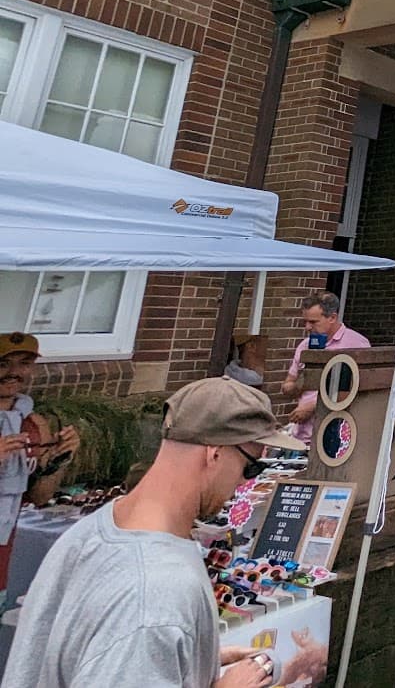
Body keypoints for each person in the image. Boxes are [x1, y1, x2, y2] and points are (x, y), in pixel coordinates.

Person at [3, 377, 305, 688]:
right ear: (214, 453)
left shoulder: (94, 529)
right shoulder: (155, 596)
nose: (247, 484)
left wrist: (182, 661)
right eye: (251, 467)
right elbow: (141, 625)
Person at [0, 332, 80, 603]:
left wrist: (59, 458)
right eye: (3, 364)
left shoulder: (34, 423)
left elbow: (40, 496)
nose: (13, 373)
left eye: (23, 364)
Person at [280, 292, 369, 443]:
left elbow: (358, 390)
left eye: (313, 322)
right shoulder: (305, 345)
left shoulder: (356, 344)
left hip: (335, 433)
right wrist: (298, 386)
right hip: (303, 433)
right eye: (305, 322)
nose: (308, 327)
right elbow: (287, 385)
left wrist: (313, 406)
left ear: (332, 318)